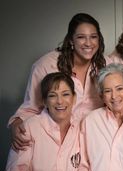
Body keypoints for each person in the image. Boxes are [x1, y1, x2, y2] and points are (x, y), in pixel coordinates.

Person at [9, 13, 109, 151]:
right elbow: (31, 107)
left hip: (94, 141)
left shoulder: (107, 65)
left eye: (93, 37)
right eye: (81, 37)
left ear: (99, 39)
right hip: (56, 141)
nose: (88, 43)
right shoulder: (46, 65)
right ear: (71, 40)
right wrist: (16, 125)